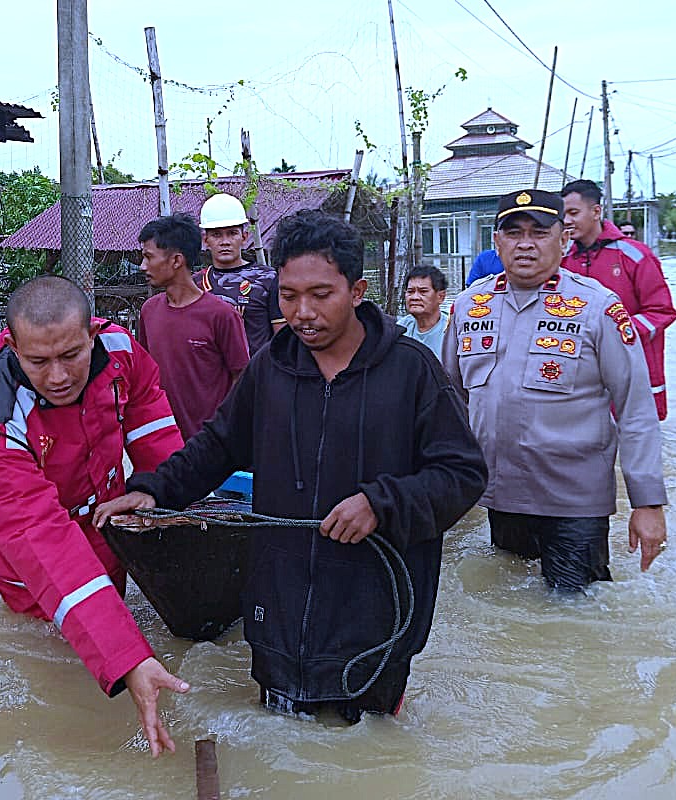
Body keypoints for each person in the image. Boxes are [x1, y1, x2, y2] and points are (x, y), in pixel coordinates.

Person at [96, 209, 487, 723]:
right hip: (280, 607)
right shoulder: (271, 367)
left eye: (321, 295)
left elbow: (463, 474)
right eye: (289, 296)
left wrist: (381, 504)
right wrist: (153, 490)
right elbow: (218, 445)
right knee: (283, 740)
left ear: (357, 291)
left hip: (374, 613)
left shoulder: (412, 370)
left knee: (367, 746)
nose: (303, 313)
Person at [0, 276, 190, 758]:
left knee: (114, 599)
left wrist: (162, 495)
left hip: (104, 514)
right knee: (51, 652)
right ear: (12, 347)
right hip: (28, 551)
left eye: (71, 355)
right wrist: (127, 659)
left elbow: (151, 418)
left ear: (93, 334)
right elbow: (35, 533)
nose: (58, 376)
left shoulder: (121, 351)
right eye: (39, 362)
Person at [444, 189, 668, 592]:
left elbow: (635, 407)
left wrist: (647, 503)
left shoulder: (598, 307)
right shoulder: (468, 306)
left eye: (539, 232)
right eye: (513, 233)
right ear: (496, 242)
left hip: (573, 501)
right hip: (499, 495)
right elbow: (449, 401)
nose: (525, 244)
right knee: (507, 604)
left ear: (563, 239)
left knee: (575, 612)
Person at [561, 179, 676, 420]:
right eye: (563, 215)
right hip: (583, 372)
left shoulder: (635, 255)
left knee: (635, 431)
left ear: (596, 212)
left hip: (633, 364)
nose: (567, 221)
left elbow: (662, 311)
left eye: (573, 213)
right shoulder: (563, 262)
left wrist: (615, 332)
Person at [136, 214, 249, 441]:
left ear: (176, 261)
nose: (142, 266)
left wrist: (225, 431)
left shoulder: (221, 315)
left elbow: (242, 377)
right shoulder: (149, 311)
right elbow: (144, 373)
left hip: (210, 444)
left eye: (148, 257)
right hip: (163, 439)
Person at [195, 193, 285, 354]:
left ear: (244, 237)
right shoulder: (196, 284)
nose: (225, 242)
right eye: (216, 234)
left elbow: (283, 338)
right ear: (205, 240)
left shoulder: (268, 279)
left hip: (258, 369)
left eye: (232, 233)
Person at [396, 265, 451, 365]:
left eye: (423, 292)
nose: (415, 297)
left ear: (441, 297)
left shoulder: (451, 330)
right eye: (410, 291)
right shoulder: (401, 328)